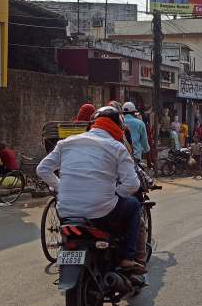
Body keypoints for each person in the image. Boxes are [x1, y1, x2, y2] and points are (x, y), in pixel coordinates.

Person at [36, 106, 144, 273]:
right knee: (134, 205)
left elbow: (42, 169)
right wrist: (115, 194)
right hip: (101, 212)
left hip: (65, 211)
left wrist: (61, 187)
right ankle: (127, 258)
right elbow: (132, 185)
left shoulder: (66, 142)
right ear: (117, 127)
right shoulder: (116, 147)